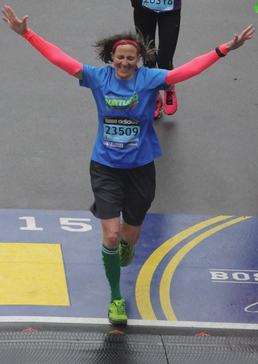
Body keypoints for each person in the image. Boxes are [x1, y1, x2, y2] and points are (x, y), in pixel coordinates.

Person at [2, 5, 254, 325]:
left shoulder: (150, 79)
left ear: (138, 61)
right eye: (119, 57)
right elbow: (59, 59)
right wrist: (27, 34)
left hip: (140, 167)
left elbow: (185, 72)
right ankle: (115, 298)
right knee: (109, 237)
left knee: (128, 237)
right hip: (105, 166)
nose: (124, 62)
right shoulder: (98, 77)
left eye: (130, 58)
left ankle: (126, 244)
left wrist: (225, 49)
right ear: (111, 58)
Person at [130, 0, 182, 118]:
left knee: (165, 59)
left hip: (170, 10)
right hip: (144, 9)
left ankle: (169, 87)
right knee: (149, 57)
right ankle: (154, 95)